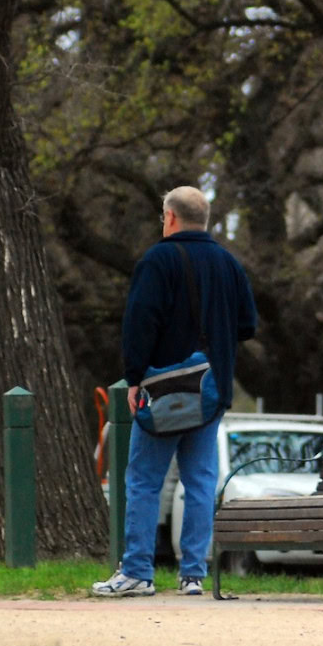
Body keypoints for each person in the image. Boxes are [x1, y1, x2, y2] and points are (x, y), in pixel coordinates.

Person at [93, 186, 258, 598]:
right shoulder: (228, 263)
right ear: (205, 220)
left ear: (169, 217)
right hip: (211, 389)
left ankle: (137, 572)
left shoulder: (157, 260)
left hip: (163, 391)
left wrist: (134, 378)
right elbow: (247, 325)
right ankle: (193, 575)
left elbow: (140, 323)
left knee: (145, 480)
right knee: (200, 481)